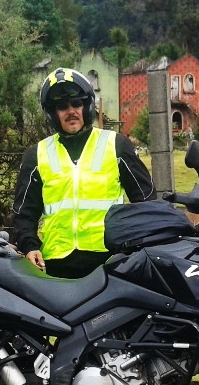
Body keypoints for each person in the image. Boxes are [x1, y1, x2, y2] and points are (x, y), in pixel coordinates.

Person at [12, 68, 155, 280]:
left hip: (111, 261)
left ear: (87, 106)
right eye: (62, 106)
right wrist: (29, 245)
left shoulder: (116, 146)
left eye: (76, 104)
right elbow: (24, 213)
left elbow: (146, 203)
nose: (71, 111)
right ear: (53, 113)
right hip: (55, 265)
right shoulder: (37, 154)